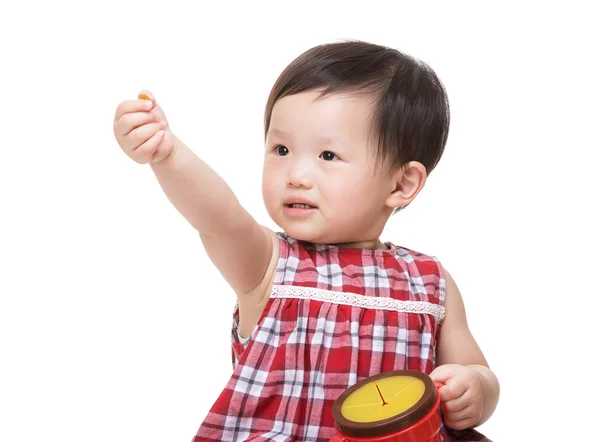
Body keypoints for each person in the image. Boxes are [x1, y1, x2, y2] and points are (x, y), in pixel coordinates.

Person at [113, 40, 500, 442]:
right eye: (281, 149)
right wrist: (167, 155)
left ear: (402, 183)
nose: (296, 173)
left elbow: (479, 371)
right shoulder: (269, 263)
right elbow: (217, 218)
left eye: (328, 156)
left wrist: (473, 388)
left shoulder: (429, 282)